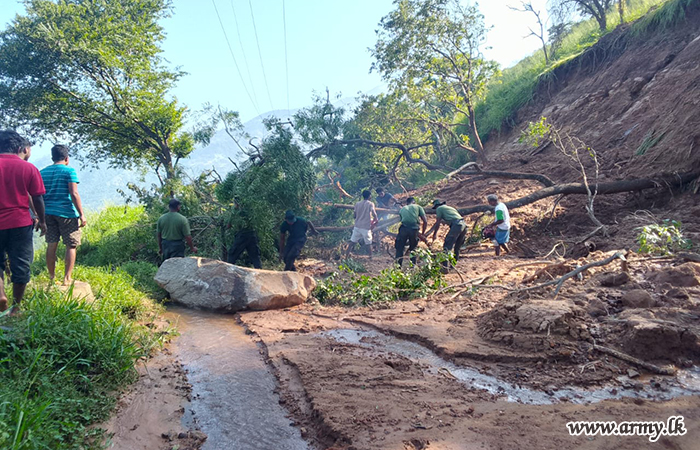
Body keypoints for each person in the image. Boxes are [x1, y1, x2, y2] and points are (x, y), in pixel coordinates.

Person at [0, 130, 47, 315]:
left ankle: (1, 295)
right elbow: (37, 198)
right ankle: (15, 307)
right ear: (20, 148)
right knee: (21, 264)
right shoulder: (28, 168)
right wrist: (42, 221)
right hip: (19, 223)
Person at [40, 145, 86, 285]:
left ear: (52, 157)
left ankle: (52, 278)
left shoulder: (42, 173)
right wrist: (81, 214)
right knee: (71, 245)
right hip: (67, 213)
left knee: (51, 245)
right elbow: (74, 193)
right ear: (67, 158)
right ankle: (67, 278)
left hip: (48, 213)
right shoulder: (69, 171)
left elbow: (38, 195)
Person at [426, 199, 467, 268]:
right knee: (457, 247)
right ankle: (453, 266)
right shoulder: (451, 208)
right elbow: (454, 218)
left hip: (456, 225)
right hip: (464, 225)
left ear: (436, 206)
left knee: (447, 246)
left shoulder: (439, 209)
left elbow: (438, 222)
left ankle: (445, 266)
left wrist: (434, 234)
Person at [227, 202, 262, 269]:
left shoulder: (236, 212)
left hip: (242, 236)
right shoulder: (250, 211)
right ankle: (260, 271)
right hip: (252, 235)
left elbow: (229, 225)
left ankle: (228, 270)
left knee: (232, 254)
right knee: (255, 256)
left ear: (237, 204)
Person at [395, 197, 427, 267]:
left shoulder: (402, 209)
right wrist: (423, 234)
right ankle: (413, 266)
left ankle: (398, 266)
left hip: (403, 228)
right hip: (414, 229)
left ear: (407, 203)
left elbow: (402, 219)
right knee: (413, 248)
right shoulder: (418, 207)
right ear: (414, 202)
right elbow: (425, 221)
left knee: (400, 247)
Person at [346, 190, 378, 259]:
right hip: (366, 227)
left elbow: (354, 216)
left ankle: (346, 257)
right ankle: (370, 257)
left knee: (352, 242)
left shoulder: (357, 204)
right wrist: (375, 220)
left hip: (357, 226)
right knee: (368, 243)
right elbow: (374, 214)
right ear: (369, 196)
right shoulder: (370, 204)